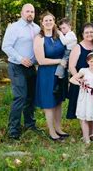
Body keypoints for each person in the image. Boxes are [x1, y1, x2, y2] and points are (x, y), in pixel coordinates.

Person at [2, 3, 41, 140]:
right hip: (17, 66)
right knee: (20, 97)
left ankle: (30, 124)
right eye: (27, 11)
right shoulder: (14, 28)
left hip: (31, 67)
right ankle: (13, 129)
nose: (30, 13)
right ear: (21, 13)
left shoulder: (37, 28)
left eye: (32, 11)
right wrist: (20, 58)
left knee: (31, 96)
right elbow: (6, 46)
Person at [33, 11, 69, 141]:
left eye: (51, 20)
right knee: (49, 103)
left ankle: (59, 128)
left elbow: (69, 45)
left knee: (58, 101)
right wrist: (59, 61)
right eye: (46, 20)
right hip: (47, 74)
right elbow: (41, 60)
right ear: (42, 23)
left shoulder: (59, 35)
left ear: (54, 22)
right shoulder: (39, 38)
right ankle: (51, 131)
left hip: (60, 72)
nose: (48, 22)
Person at [70, 52, 93, 143]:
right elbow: (72, 79)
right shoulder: (83, 71)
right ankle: (86, 138)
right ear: (87, 62)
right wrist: (81, 83)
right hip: (85, 97)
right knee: (84, 117)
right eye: (91, 61)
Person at [66, 23, 93, 119]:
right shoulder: (78, 47)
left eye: (91, 32)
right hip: (82, 82)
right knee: (81, 107)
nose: (89, 34)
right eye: (86, 32)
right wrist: (80, 80)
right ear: (82, 34)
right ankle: (85, 131)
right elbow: (71, 66)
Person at [54, 18, 77, 98]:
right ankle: (60, 83)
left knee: (61, 65)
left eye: (64, 28)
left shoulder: (71, 34)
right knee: (62, 67)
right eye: (61, 29)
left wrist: (59, 33)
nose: (62, 30)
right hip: (67, 51)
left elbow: (64, 42)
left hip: (69, 52)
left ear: (69, 26)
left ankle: (59, 84)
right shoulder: (67, 34)